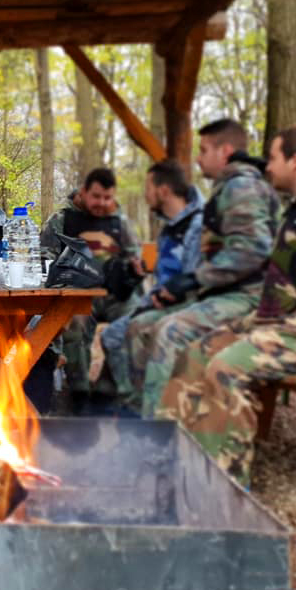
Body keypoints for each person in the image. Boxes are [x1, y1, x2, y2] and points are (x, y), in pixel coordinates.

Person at [158, 126, 296, 486]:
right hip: (284, 322)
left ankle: (225, 488)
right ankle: (178, 466)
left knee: (227, 368)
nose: (267, 166)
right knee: (196, 353)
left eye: (273, 158)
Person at [125, 118, 279, 417]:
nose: (198, 157)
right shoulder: (230, 188)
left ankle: (159, 435)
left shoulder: (242, 187)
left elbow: (253, 250)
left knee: (169, 332)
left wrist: (194, 279)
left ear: (225, 151)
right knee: (140, 325)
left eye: (204, 150)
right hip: (221, 294)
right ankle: (142, 415)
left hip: (249, 298)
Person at [98, 160, 203, 412]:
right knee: (112, 335)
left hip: (185, 307)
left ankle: (140, 409)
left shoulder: (197, 226)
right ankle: (129, 403)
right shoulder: (171, 226)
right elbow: (169, 272)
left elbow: (195, 279)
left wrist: (164, 298)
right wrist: (140, 270)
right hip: (161, 301)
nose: (145, 194)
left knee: (132, 329)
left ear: (163, 190)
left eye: (148, 187)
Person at [40, 167, 143, 412]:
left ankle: (112, 393)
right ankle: (80, 393)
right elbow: (45, 263)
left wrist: (132, 270)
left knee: (139, 319)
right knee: (74, 324)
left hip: (114, 293)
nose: (102, 203)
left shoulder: (118, 220)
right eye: (96, 197)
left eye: (107, 198)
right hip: (78, 293)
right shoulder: (61, 220)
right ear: (84, 192)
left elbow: (133, 257)